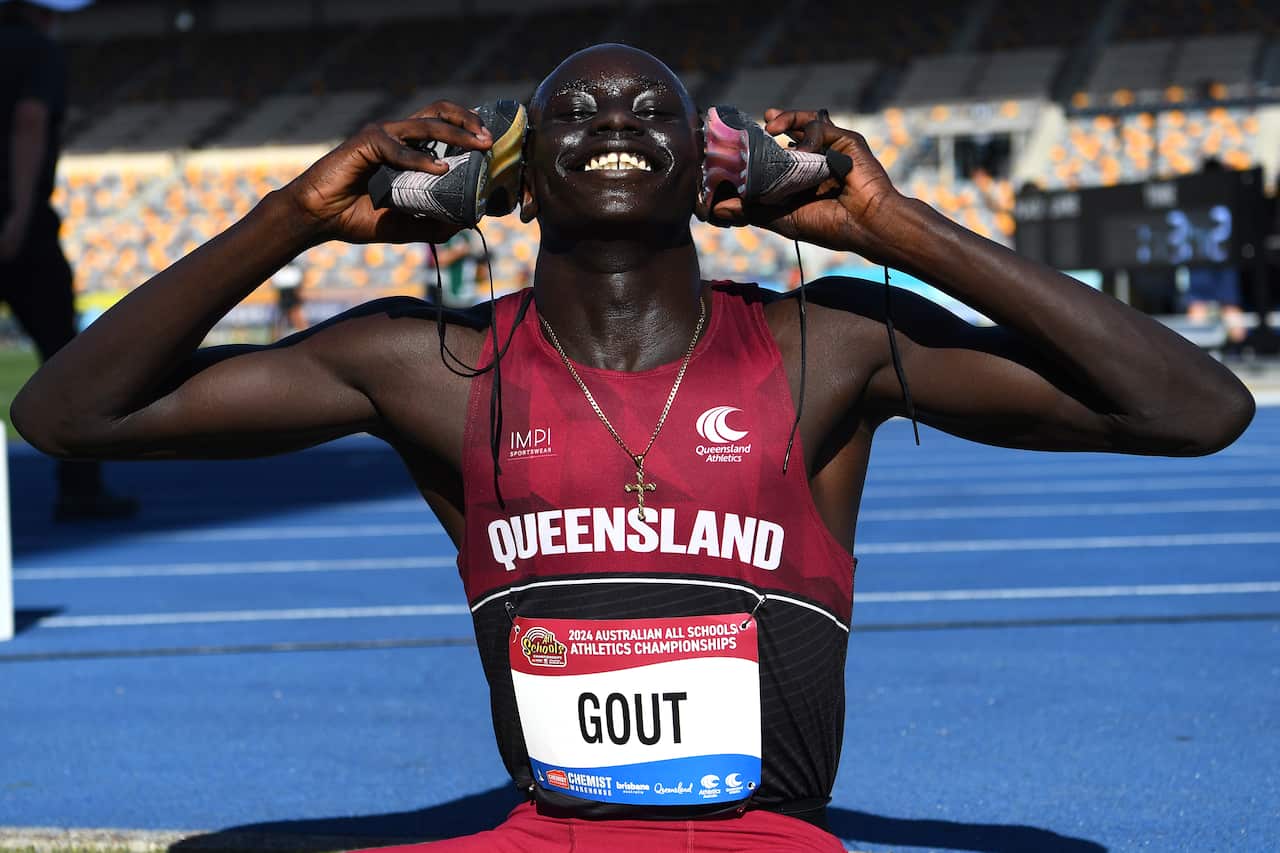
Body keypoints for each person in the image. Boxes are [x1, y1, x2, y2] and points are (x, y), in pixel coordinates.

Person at [11, 44, 1254, 851]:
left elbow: (1191, 412)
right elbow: (70, 418)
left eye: (650, 105)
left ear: (717, 168)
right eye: (575, 109)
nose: (614, 117)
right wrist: (289, 217)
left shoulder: (831, 344)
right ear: (510, 180)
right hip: (536, 834)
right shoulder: (425, 365)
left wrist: (897, 226)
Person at [1, 0, 136, 520]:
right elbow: (29, 122)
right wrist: (17, 213)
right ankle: (80, 485)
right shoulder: (37, 52)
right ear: (43, 14)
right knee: (68, 363)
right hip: (22, 230)